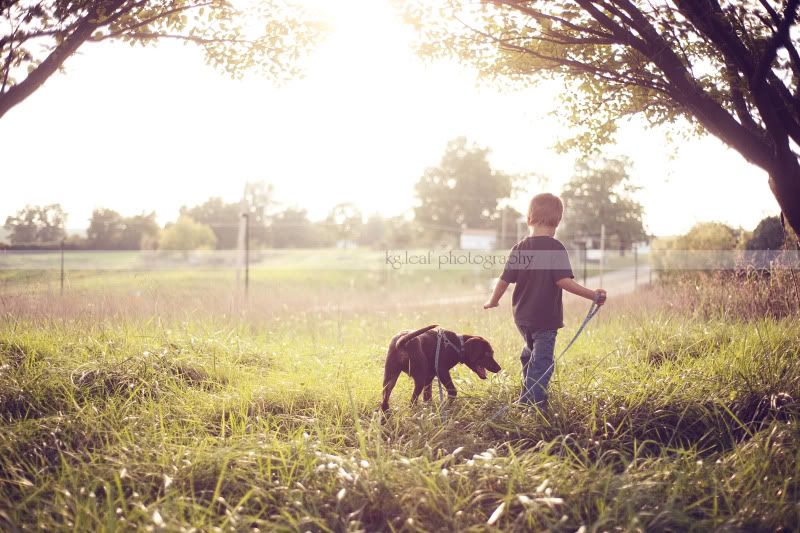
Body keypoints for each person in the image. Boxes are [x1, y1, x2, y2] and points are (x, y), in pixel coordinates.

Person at [483, 193, 606, 409]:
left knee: (531, 353)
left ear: (529, 217)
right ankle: (534, 405)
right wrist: (592, 295)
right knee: (542, 362)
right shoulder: (555, 248)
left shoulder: (519, 248)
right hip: (545, 319)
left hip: (522, 317)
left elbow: (504, 280)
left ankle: (527, 395)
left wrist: (493, 301)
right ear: (557, 220)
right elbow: (563, 281)